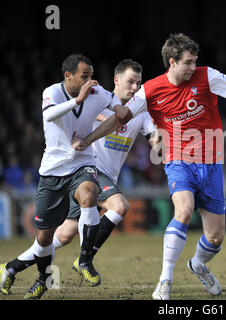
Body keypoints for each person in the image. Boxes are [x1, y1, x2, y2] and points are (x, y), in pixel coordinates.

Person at [71, 33, 226, 300]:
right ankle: (164, 281)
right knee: (182, 211)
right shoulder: (150, 90)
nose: (194, 67)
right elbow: (119, 118)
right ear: (172, 62)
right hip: (178, 161)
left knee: (215, 238)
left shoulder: (208, 76)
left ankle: (197, 264)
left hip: (211, 164)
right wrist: (87, 140)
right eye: (188, 62)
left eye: (195, 62)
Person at [0, 59, 155, 298]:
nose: (134, 87)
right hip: (89, 169)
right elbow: (73, 119)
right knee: (120, 205)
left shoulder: (139, 112)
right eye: (130, 82)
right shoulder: (99, 100)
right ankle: (86, 259)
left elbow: (153, 135)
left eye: (138, 83)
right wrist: (91, 131)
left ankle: (11, 267)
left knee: (63, 235)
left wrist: (162, 144)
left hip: (101, 176)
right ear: (116, 80)